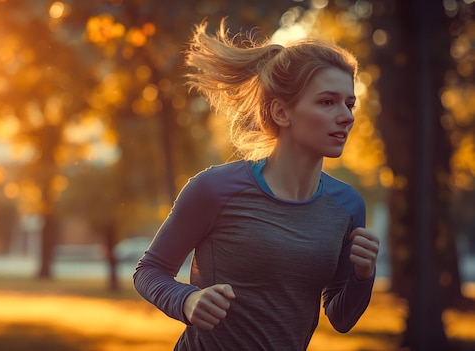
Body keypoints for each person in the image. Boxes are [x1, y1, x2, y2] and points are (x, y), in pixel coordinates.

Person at [133, 19, 380, 351]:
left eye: (349, 103)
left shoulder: (347, 206)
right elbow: (150, 270)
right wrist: (186, 301)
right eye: (327, 102)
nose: (347, 116)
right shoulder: (214, 188)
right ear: (281, 112)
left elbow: (341, 317)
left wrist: (363, 277)